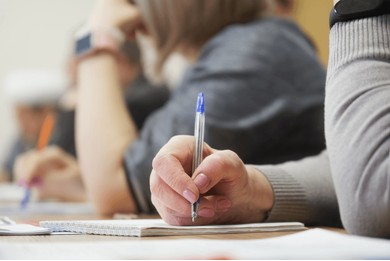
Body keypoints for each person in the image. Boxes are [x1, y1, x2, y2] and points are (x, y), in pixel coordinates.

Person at [150, 2, 390, 239]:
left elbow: (373, 195)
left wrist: (360, 7)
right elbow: (353, 168)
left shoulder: (257, 45)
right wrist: (249, 191)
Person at [75, 0, 327, 216]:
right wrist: (77, 183)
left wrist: (96, 37)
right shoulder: (241, 45)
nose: (129, 7)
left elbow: (117, 191)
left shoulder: (256, 49)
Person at [12, 40, 169, 202]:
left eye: (81, 61)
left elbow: (117, 176)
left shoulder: (143, 100)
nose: (69, 70)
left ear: (118, 61)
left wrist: (71, 109)